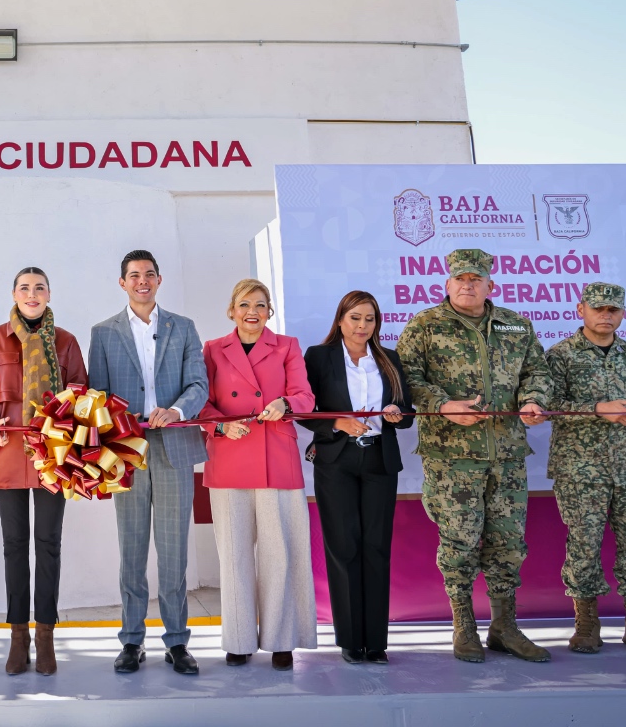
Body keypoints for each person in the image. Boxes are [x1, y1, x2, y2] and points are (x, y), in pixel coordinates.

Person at [395, 248, 551, 664]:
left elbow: (537, 371)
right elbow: (407, 378)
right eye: (460, 278)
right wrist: (444, 405)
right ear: (447, 284)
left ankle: (504, 627)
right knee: (459, 543)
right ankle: (463, 625)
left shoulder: (516, 325)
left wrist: (534, 400)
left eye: (476, 279)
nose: (468, 284)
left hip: (507, 453)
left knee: (508, 543)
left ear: (490, 286)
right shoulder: (424, 326)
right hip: (452, 457)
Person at [88, 250, 208, 675]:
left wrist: (176, 411)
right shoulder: (103, 332)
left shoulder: (184, 327)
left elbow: (199, 383)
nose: (142, 281)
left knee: (174, 551)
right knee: (132, 549)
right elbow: (96, 397)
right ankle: (132, 640)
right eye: (134, 275)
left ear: (159, 280)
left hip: (174, 444)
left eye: (149, 274)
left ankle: (177, 642)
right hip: (127, 452)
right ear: (122, 282)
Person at [0, 267, 89, 675]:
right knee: (14, 545)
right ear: (14, 294)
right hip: (7, 456)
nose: (32, 294)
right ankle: (18, 637)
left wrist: (64, 431)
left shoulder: (66, 342)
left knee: (49, 543)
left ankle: (46, 635)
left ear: (49, 293)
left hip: (53, 458)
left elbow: (81, 398)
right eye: (25, 288)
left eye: (39, 288)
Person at [199, 278, 317, 670]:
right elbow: (202, 402)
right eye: (245, 304)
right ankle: (238, 639)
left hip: (275, 458)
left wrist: (285, 402)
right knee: (233, 556)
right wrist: (220, 426)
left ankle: (281, 639)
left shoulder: (287, 346)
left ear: (270, 311)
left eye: (261, 304)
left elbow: (305, 396)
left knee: (279, 553)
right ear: (232, 310)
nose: (253, 311)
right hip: (230, 456)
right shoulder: (213, 349)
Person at [300, 290, 414, 665]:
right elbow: (303, 410)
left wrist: (397, 411)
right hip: (337, 461)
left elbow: (409, 412)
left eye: (370, 319)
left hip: (380, 459)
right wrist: (335, 421)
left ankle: (376, 641)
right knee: (344, 548)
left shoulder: (390, 358)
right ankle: (350, 639)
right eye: (355, 318)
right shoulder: (319, 357)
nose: (363, 326)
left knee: (376, 548)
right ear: (340, 320)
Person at [544, 282, 626, 655]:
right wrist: (597, 408)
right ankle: (586, 625)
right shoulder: (560, 356)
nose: (606, 315)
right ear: (580, 309)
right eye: (598, 308)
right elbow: (546, 404)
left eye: (613, 310)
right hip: (580, 468)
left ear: (623, 314)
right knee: (584, 545)